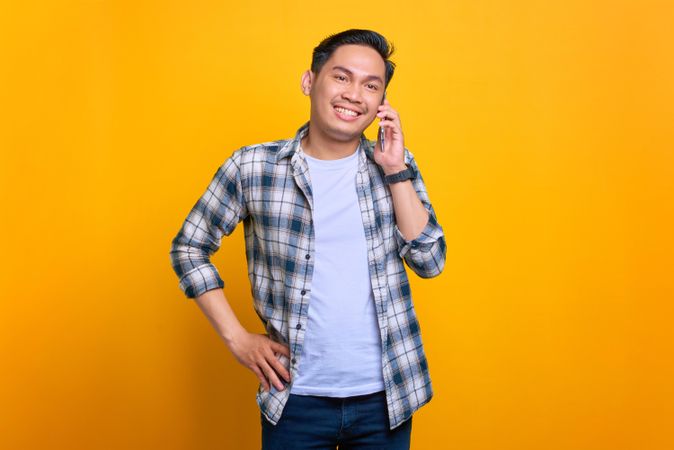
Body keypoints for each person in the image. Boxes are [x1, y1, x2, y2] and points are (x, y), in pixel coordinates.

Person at [169, 28, 446, 449]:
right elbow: (189, 247)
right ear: (309, 81)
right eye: (342, 77)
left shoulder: (395, 167)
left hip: (387, 397)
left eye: (371, 86)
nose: (354, 94)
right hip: (294, 399)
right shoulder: (254, 167)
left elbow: (430, 261)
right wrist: (237, 338)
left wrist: (395, 170)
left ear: (380, 104)